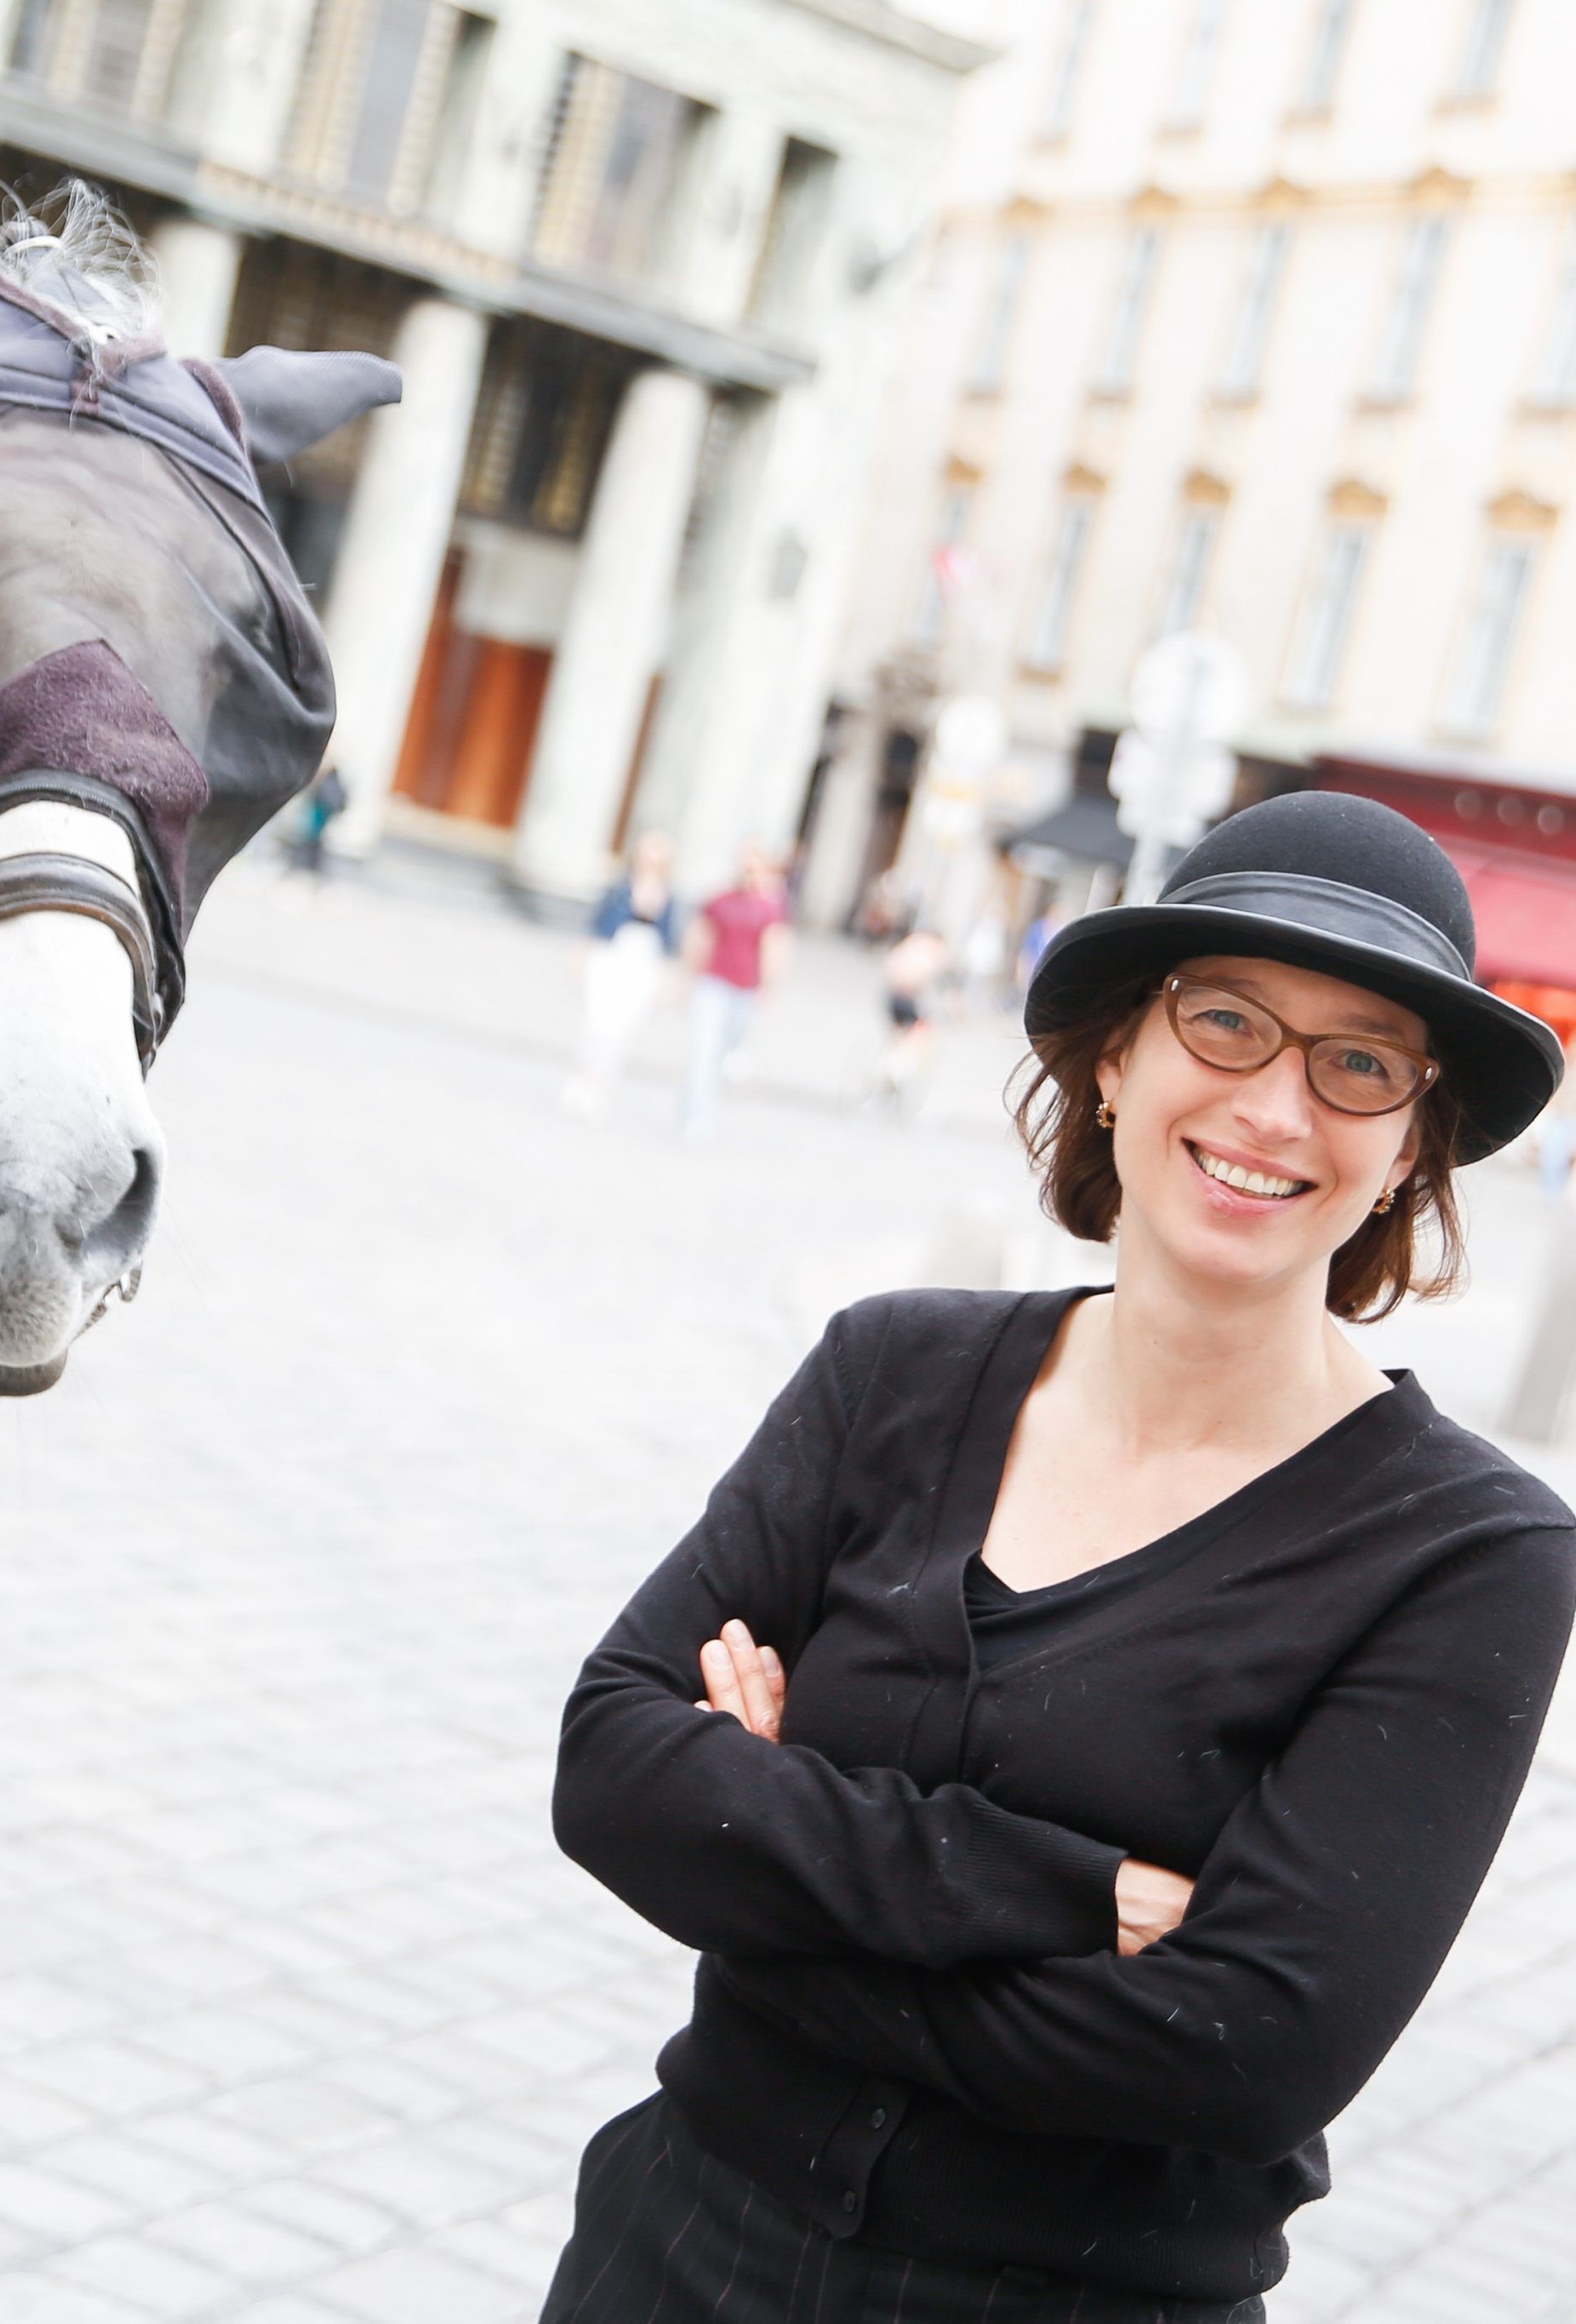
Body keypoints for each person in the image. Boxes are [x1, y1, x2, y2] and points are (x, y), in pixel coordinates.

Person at [543, 791, 1574, 2322]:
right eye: (1225, 1021)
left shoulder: (1469, 1553)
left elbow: (1244, 2054)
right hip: (670, 2250)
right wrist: (1071, 1889)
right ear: (1113, 1056)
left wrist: (774, 1875)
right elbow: (614, 1766)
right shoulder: (887, 1370)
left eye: (1358, 1063)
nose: (1277, 1109)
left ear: (1412, 1139)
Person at [565, 833, 680, 1120]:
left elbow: (668, 943)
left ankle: (601, 1085)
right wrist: (580, 959)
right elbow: (597, 926)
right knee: (596, 1023)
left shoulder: (669, 896)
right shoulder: (620, 889)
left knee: (623, 1029)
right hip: (611, 958)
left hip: (642, 962)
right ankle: (582, 1077)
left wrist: (668, 980)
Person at [677, 846, 789, 1137]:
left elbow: (772, 949)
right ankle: (697, 1117)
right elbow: (698, 937)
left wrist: (768, 990)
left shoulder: (768, 907)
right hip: (714, 984)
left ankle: (700, 1103)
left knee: (724, 1054)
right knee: (703, 1051)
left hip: (746, 989)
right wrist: (688, 978)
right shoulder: (719, 900)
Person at [871, 925, 946, 1115]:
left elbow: (890, 963)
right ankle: (896, 1068)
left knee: (899, 1035)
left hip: (891, 996)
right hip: (905, 998)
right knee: (922, 1032)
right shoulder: (930, 950)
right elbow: (925, 977)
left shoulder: (911, 942)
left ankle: (891, 1071)